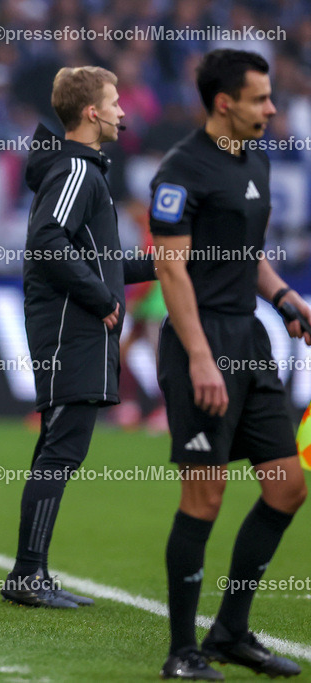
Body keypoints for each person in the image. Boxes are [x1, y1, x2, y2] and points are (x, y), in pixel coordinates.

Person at [152, 49, 306, 680]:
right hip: (202, 343)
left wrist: (284, 295)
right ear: (224, 103)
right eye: (260, 98)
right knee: (205, 495)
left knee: (289, 486)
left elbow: (248, 255)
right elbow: (170, 266)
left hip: (251, 337)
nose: (271, 108)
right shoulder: (181, 169)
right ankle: (181, 652)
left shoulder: (257, 160)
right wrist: (199, 359)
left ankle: (230, 631)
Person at [0, 66, 154, 609]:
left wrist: (157, 265)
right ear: (91, 112)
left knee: (58, 449)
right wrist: (102, 299)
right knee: (60, 452)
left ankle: (30, 572)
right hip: (72, 330)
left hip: (75, 329)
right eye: (114, 102)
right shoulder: (77, 171)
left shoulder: (81, 170)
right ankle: (27, 576)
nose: (122, 112)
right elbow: (46, 241)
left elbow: (98, 259)